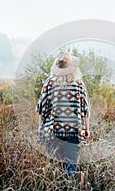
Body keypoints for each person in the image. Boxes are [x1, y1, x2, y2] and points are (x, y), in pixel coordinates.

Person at [36, 51, 90, 179]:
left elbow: (41, 109)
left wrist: (40, 129)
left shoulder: (49, 83)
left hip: (52, 132)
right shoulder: (79, 84)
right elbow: (85, 108)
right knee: (71, 169)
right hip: (73, 131)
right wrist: (87, 129)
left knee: (54, 170)